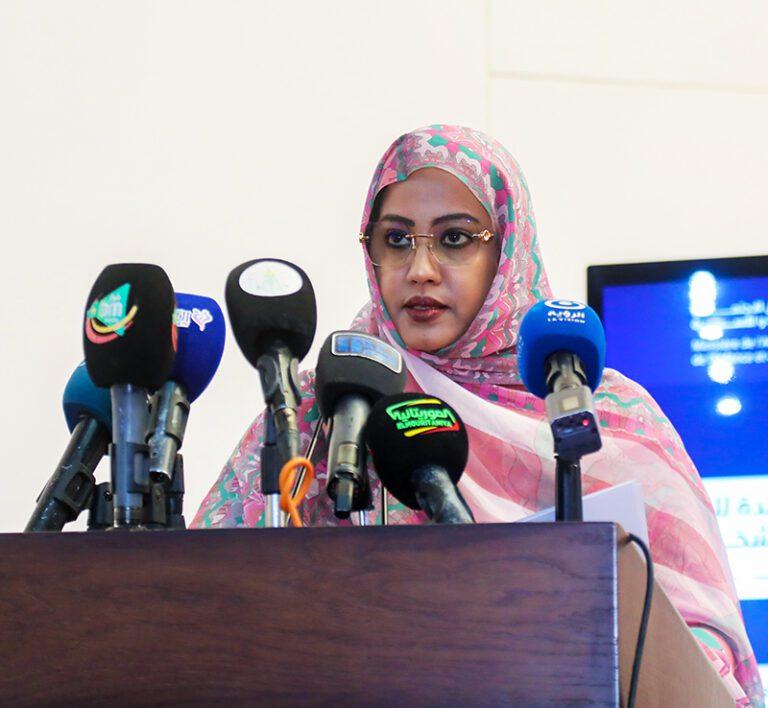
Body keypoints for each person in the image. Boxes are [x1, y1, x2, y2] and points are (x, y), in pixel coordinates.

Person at [192, 124, 763, 706]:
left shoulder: (605, 411)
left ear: (506, 252)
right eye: (396, 239)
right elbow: (196, 603)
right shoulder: (324, 409)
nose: (420, 268)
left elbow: (700, 637)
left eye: (455, 239)